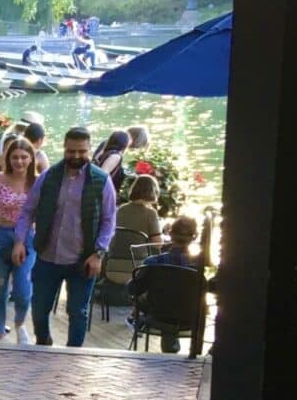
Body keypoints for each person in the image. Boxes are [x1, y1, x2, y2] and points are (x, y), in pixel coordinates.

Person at [13, 126, 117, 348]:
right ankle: (44, 342)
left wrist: (99, 253)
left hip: (83, 259)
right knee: (39, 308)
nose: (76, 156)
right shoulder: (48, 177)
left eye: (81, 151)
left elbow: (109, 219)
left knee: (78, 311)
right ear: (64, 149)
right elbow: (28, 210)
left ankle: (73, 354)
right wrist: (20, 241)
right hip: (48, 256)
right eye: (71, 151)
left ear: (89, 150)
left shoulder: (101, 181)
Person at [0, 133, 40, 342]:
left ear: (31, 158)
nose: (19, 161)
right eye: (15, 157)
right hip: (1, 234)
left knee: (22, 287)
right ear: (8, 158)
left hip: (27, 237)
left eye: (24, 157)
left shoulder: (38, 182)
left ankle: (20, 324)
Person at [130, 214, 202, 352]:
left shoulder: (152, 262)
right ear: (194, 237)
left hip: (158, 316)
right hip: (191, 318)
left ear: (170, 234)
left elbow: (133, 289)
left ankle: (164, 335)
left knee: (147, 299)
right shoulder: (199, 266)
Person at [117, 174, 164, 243]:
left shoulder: (121, 209)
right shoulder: (150, 213)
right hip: (139, 253)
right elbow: (157, 243)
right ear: (153, 191)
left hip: (116, 251)